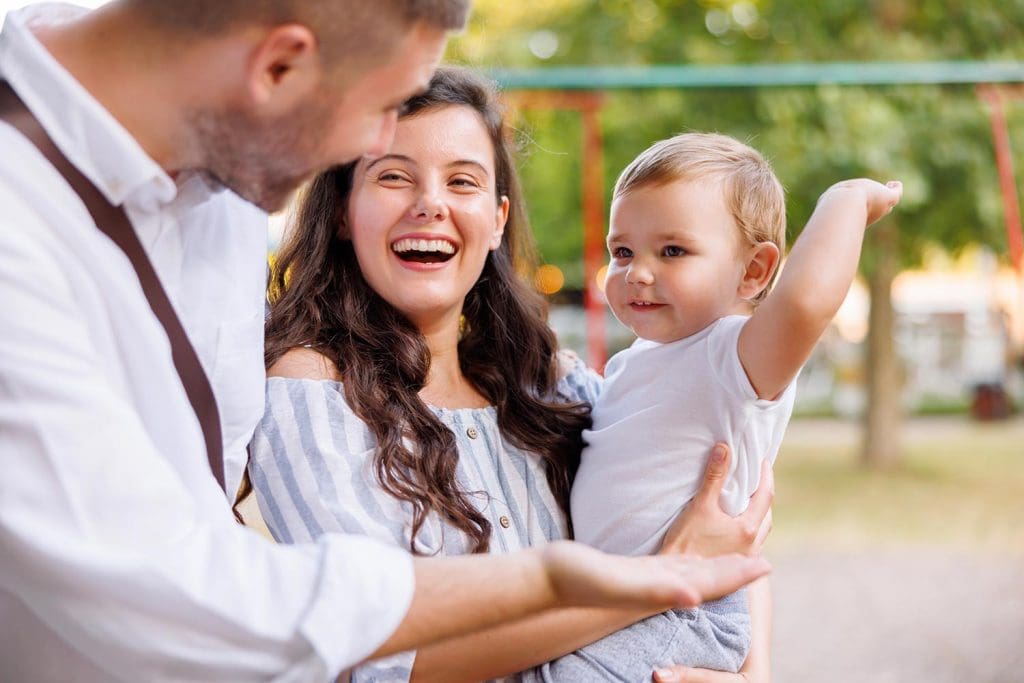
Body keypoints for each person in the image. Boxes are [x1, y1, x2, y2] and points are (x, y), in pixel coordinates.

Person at [0, 3, 770, 681]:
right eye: (379, 127)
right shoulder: (28, 239)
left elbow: (716, 495)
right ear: (280, 65)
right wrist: (611, 580)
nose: (367, 150)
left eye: (463, 181)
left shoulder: (224, 182)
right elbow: (196, 601)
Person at [250, 67, 775, 683]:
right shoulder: (314, 389)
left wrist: (752, 675)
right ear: (343, 211)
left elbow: (731, 519)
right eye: (393, 176)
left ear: (497, 219)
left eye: (462, 182)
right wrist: (664, 577)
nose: (430, 203)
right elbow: (384, 655)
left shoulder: (551, 386)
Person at [526, 133, 902, 680]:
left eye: (672, 250)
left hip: (687, 613)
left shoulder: (733, 356)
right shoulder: (638, 362)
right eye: (622, 251)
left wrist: (846, 199)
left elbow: (804, 301)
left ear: (752, 271)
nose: (639, 272)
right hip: (636, 600)